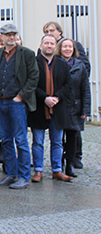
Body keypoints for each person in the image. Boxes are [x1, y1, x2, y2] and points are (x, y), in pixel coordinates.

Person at [0, 23, 39, 190]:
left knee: (21, 139)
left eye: (14, 34)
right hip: (0, 101)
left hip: (16, 102)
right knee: (6, 140)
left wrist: (21, 96)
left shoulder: (27, 53)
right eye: (8, 35)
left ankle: (24, 176)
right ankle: (11, 174)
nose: (11, 37)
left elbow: (34, 77)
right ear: (2, 36)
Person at [28, 35, 73, 183]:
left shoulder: (61, 64)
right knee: (38, 142)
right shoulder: (33, 63)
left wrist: (57, 97)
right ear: (40, 46)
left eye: (52, 43)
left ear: (55, 47)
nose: (49, 46)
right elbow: (30, 84)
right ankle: (38, 171)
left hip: (58, 108)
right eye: (46, 43)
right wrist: (45, 98)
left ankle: (57, 170)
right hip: (39, 108)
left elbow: (68, 85)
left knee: (57, 141)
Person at [56, 38, 90, 177]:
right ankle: (58, 165)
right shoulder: (55, 64)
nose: (67, 49)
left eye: (70, 47)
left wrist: (85, 110)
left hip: (75, 106)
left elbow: (85, 89)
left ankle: (70, 164)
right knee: (58, 138)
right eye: (65, 47)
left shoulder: (80, 65)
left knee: (72, 137)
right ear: (60, 49)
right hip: (59, 105)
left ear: (74, 49)